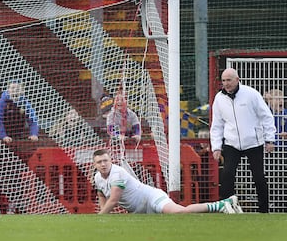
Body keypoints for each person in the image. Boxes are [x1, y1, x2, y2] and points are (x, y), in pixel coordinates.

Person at [92, 148, 241, 214]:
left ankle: (222, 204)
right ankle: (225, 205)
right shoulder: (98, 177)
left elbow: (113, 200)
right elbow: (101, 196)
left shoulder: (117, 173)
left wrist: (101, 217)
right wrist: (105, 216)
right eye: (99, 162)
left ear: (111, 160)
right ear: (95, 164)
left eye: (105, 161)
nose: (103, 164)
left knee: (179, 212)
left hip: (150, 197)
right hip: (139, 210)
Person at [210, 68, 276, 213]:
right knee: (227, 175)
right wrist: (216, 147)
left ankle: (264, 210)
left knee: (258, 176)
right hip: (231, 143)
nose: (226, 83)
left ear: (237, 79)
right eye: (223, 80)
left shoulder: (251, 94)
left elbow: (266, 116)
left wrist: (270, 139)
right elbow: (217, 124)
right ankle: (227, 208)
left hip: (254, 142)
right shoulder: (219, 99)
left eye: (229, 80)